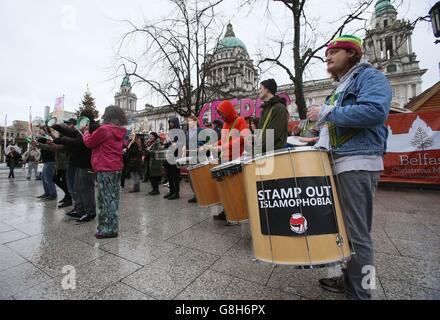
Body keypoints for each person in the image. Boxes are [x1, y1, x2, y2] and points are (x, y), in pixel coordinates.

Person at [306, 35, 392, 300]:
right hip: (339, 162)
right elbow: (338, 124)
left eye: (335, 51)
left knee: (358, 236)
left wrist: (326, 113)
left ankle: (362, 293)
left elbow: (375, 112)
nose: (328, 56)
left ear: (352, 53)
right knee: (344, 231)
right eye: (327, 53)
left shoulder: (370, 77)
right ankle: (349, 279)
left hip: (357, 162)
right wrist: (315, 136)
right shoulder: (341, 86)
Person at [83, 105, 127, 239]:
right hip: (116, 167)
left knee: (105, 199)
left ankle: (109, 229)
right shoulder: (120, 131)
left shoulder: (104, 130)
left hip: (105, 168)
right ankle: (107, 226)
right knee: (113, 198)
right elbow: (123, 145)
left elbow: (89, 143)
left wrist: (85, 131)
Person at [52, 110, 97, 223]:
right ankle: (80, 210)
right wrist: (57, 127)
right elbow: (72, 133)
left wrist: (60, 139)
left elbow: (78, 142)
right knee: (78, 189)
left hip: (87, 164)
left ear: (86, 118)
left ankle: (90, 212)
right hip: (80, 163)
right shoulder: (83, 127)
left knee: (86, 190)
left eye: (81, 116)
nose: (79, 119)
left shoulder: (91, 128)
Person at [210, 100, 249, 221]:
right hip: (226, 158)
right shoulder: (226, 124)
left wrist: (224, 146)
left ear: (227, 111)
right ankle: (226, 211)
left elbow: (244, 138)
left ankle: (236, 212)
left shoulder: (240, 121)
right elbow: (224, 140)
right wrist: (215, 144)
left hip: (236, 158)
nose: (221, 116)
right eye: (220, 114)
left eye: (222, 113)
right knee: (226, 187)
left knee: (235, 188)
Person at [257, 79, 289, 154]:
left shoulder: (279, 108)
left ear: (267, 89)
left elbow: (273, 135)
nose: (258, 91)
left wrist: (256, 149)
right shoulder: (264, 109)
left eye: (260, 88)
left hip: (275, 155)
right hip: (264, 154)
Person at [163, 117, 182, 200]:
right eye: (169, 122)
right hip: (169, 155)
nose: (170, 124)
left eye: (171, 122)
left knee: (175, 175)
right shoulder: (170, 132)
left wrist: (173, 143)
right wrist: (165, 143)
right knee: (169, 175)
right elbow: (169, 144)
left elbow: (180, 143)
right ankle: (171, 191)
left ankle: (176, 193)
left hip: (176, 155)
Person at [36, 136, 57, 200]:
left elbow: (44, 146)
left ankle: (53, 194)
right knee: (43, 177)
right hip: (46, 163)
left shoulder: (48, 147)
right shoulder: (43, 147)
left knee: (48, 178)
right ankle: (47, 193)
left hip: (50, 163)